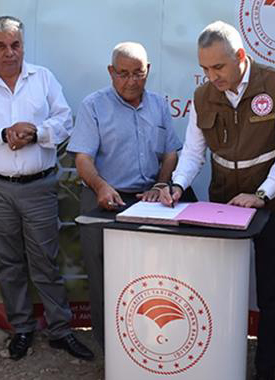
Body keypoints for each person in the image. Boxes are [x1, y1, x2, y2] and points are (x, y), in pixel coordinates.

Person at [159, 20, 275, 380]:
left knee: (271, 292)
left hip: (273, 203)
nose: (212, 76)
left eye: (218, 67)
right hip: (222, 202)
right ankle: (218, 362)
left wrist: (261, 195)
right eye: (205, 68)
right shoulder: (202, 96)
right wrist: (177, 185)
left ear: (240, 56)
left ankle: (265, 369)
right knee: (218, 287)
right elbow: (193, 153)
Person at [0, 16, 93, 361]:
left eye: (15, 45)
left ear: (23, 46)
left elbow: (64, 120)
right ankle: (22, 328)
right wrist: (2, 135)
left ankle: (61, 330)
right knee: (7, 261)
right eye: (1, 46)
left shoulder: (42, 78)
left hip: (38, 187)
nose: (9, 52)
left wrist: (35, 132)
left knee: (45, 261)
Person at [68, 41, 187, 349]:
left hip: (149, 201)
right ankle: (110, 349)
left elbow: (171, 152)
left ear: (148, 71)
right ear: (111, 71)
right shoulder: (93, 105)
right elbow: (82, 159)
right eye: (123, 73)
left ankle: (149, 345)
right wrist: (101, 186)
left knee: (149, 277)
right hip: (103, 201)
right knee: (104, 277)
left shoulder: (159, 104)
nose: (132, 81)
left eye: (139, 73)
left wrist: (161, 185)